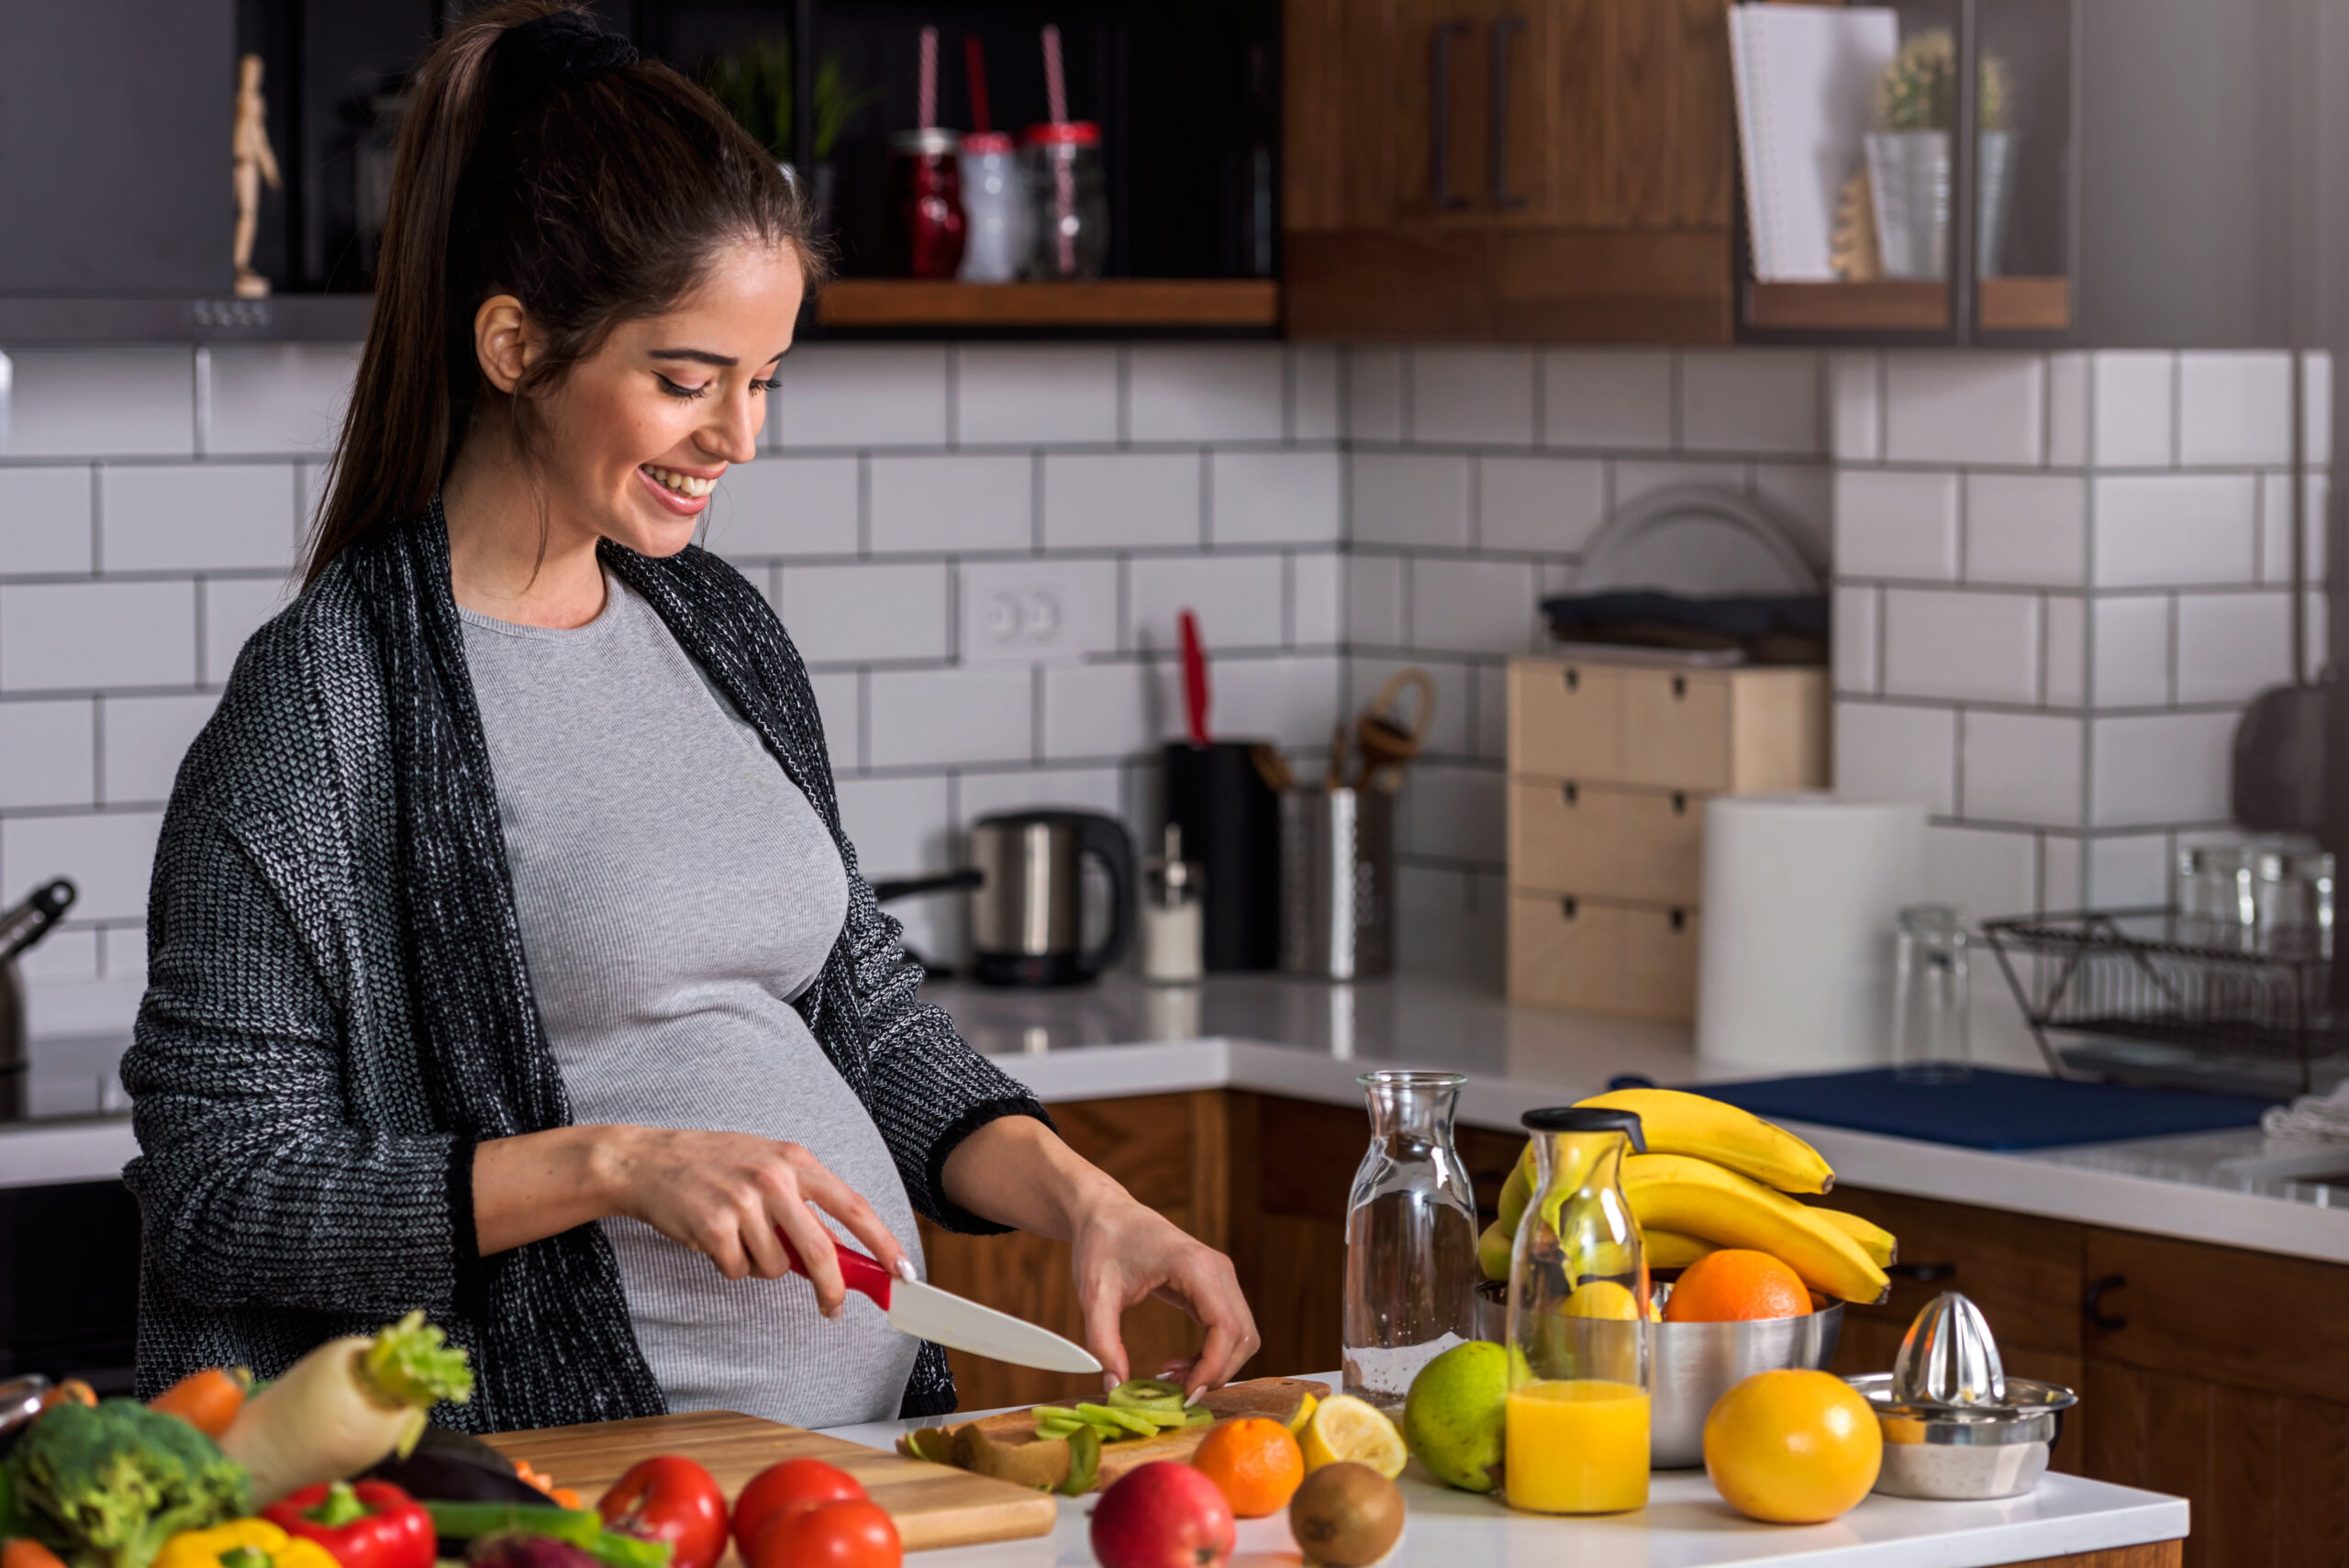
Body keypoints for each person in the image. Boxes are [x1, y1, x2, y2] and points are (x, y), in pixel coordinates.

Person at [121, 1, 1258, 1432]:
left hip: (850, 1460)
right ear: (516, 345)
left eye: (765, 379)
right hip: (568, 1483)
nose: (741, 437)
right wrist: (613, 1166)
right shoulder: (327, 700)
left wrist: (1089, 1202)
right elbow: (222, 1193)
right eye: (685, 380)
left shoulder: (714, 627)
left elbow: (869, 1017)